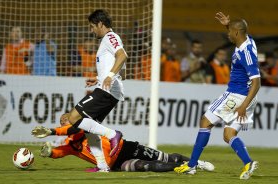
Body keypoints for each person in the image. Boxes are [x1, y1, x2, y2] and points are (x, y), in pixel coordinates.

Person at [174, 12, 260, 180]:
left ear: (236, 33)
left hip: (237, 95)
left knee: (205, 121)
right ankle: (248, 163)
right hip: (246, 97)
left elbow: (257, 83)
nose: (227, 34)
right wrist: (228, 25)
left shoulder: (246, 53)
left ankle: (191, 165)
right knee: (228, 135)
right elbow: (239, 31)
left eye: (229, 32)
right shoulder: (248, 41)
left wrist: (242, 106)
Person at [31, 113, 215, 172]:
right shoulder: (71, 145)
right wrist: (49, 152)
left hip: (126, 147)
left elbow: (72, 129)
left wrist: (53, 131)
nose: (65, 122)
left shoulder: (83, 127)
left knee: (167, 156)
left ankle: (196, 163)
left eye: (67, 119)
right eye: (63, 121)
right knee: (147, 166)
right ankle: (184, 167)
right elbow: (59, 152)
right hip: (117, 164)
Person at [67, 9, 128, 157]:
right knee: (90, 127)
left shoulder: (110, 37)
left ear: (100, 24)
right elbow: (124, 74)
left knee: (73, 117)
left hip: (107, 91)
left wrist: (109, 76)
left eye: (92, 26)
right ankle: (102, 166)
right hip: (110, 90)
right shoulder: (110, 42)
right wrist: (99, 77)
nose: (91, 30)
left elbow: (123, 55)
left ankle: (113, 135)